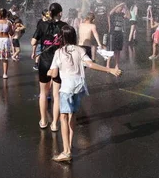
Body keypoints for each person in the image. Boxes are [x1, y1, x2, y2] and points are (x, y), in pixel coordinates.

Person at [49, 25, 122, 162]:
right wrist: (109, 70)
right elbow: (91, 64)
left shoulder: (59, 52)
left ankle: (66, 152)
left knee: (63, 118)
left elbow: (53, 74)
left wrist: (49, 72)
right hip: (79, 87)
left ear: (62, 38)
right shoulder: (80, 50)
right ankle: (69, 146)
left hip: (66, 89)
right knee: (73, 115)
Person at [31, 3, 67, 131]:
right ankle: (54, 124)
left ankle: (44, 121)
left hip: (45, 62)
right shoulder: (64, 26)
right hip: (58, 63)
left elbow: (33, 41)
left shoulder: (42, 25)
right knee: (56, 95)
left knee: (43, 93)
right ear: (60, 13)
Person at [107, 1, 129, 69]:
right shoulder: (113, 14)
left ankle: (117, 65)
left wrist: (125, 7)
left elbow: (128, 16)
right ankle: (107, 65)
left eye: (122, 7)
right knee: (111, 50)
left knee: (118, 50)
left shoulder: (122, 14)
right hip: (113, 33)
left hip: (120, 33)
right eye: (120, 7)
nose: (121, 8)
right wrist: (119, 5)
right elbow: (110, 12)